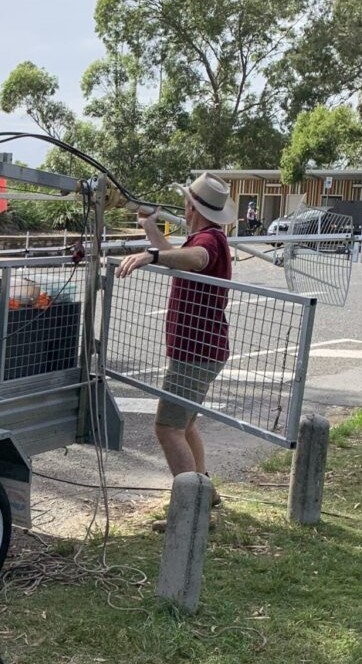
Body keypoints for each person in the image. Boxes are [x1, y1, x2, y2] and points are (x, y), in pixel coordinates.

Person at [117, 173, 235, 514]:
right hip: (202, 349)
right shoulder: (207, 236)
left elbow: (195, 259)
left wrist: (150, 256)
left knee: (168, 428)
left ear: (191, 207)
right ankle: (204, 490)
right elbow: (178, 256)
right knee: (185, 424)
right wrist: (150, 230)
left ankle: (191, 511)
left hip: (195, 353)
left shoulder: (210, 241)